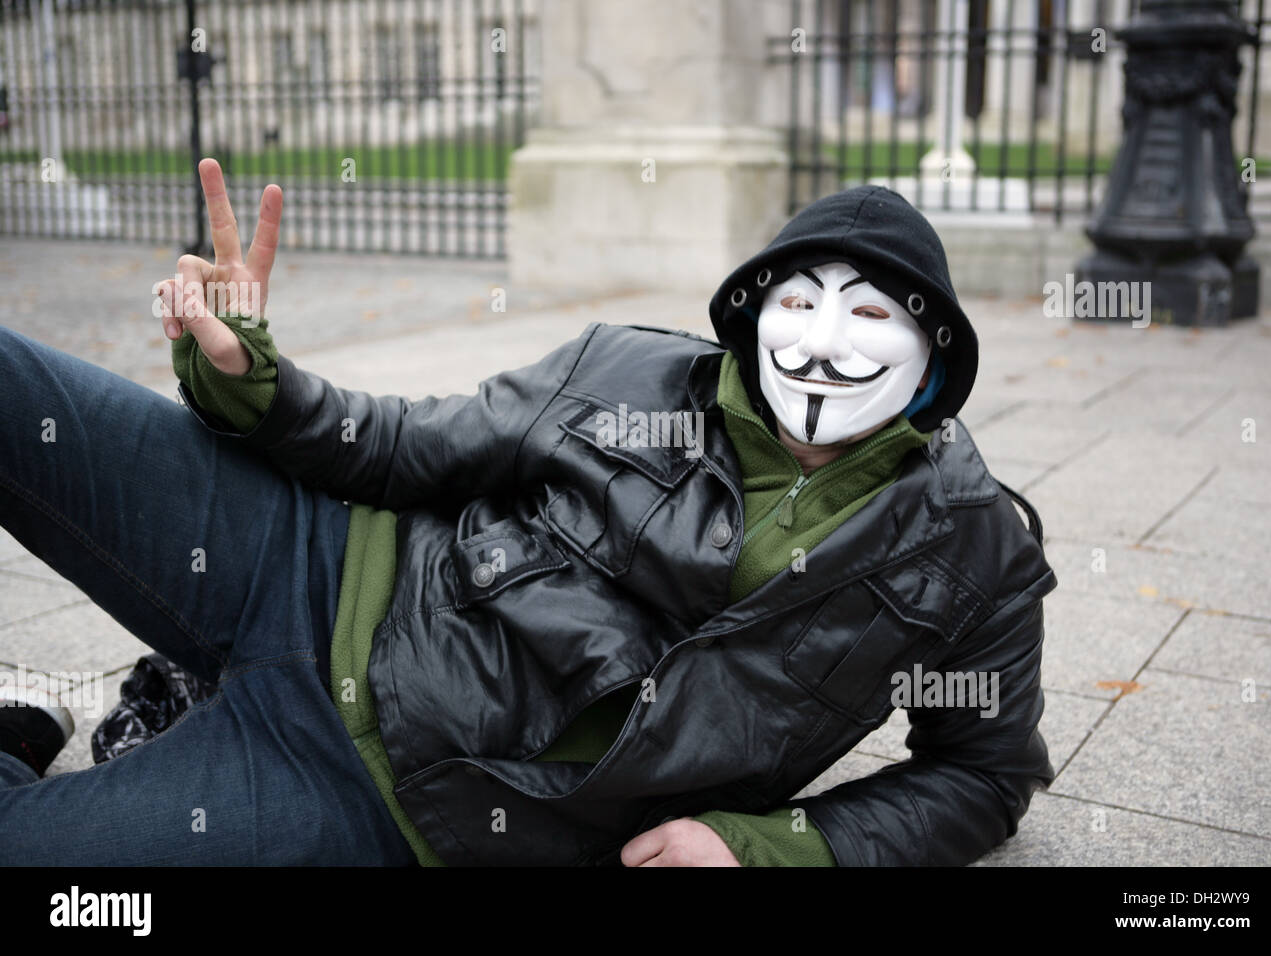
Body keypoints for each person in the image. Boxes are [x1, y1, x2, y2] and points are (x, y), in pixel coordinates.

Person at [0, 159, 1056, 866]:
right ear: (753, 313)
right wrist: (253, 380)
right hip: (310, 548)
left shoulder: (973, 553)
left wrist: (765, 844)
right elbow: (406, 443)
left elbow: (984, 771)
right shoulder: (626, 368)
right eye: (801, 300)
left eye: (873, 314)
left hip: (372, 784)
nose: (828, 339)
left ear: (934, 363)